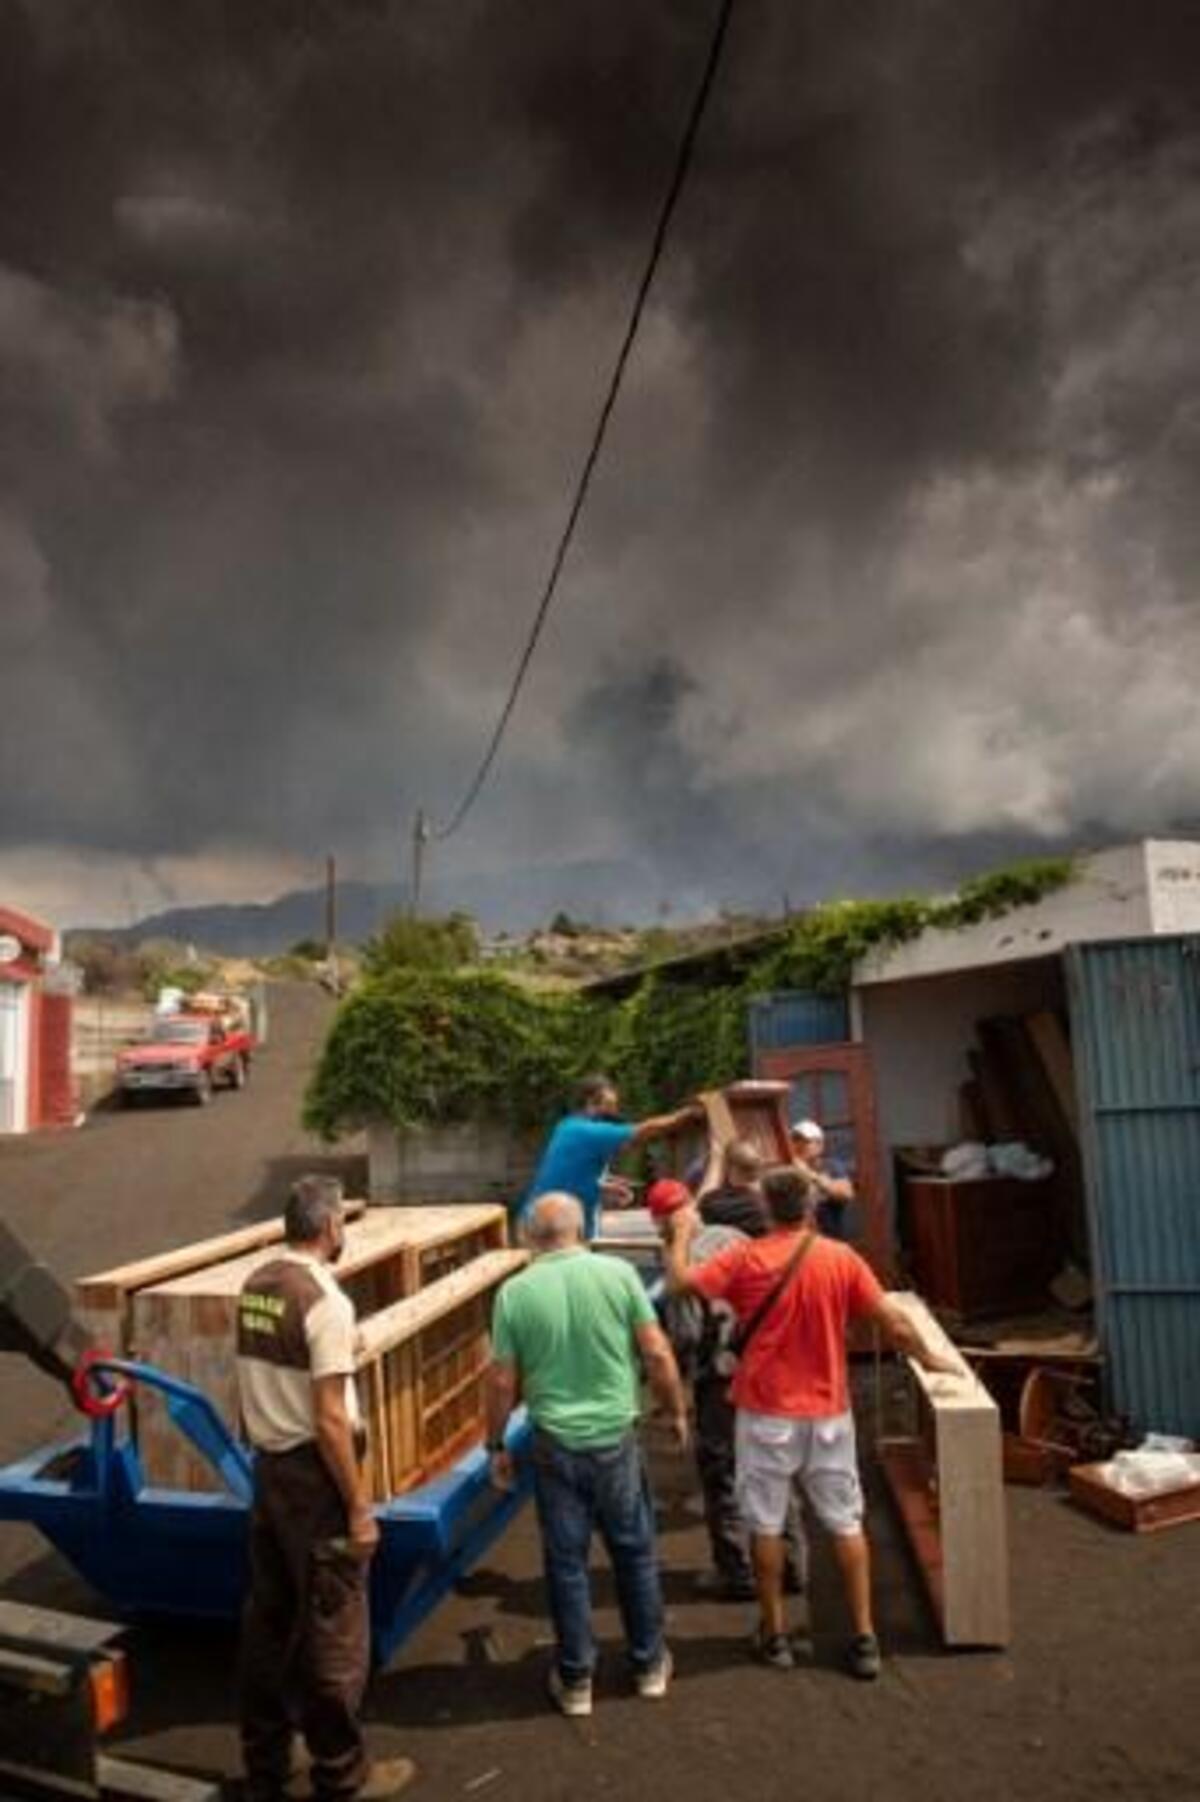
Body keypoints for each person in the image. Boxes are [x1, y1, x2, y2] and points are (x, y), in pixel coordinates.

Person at [664, 1165, 956, 1679]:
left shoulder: (745, 1257)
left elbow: (680, 1283)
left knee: (765, 1522)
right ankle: (865, 1636)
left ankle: (773, 1633)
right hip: (828, 1411)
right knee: (845, 1520)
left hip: (763, 1412)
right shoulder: (841, 1258)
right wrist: (933, 1359)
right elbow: (893, 1320)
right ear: (811, 1208)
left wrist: (684, 1231)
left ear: (766, 1210)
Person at [236, 1176, 415, 1802]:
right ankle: (341, 1775)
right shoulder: (324, 1302)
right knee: (334, 1630)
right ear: (331, 1226)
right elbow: (330, 1419)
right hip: (314, 1482)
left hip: (269, 1473)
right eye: (343, 1222)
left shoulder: (256, 1285)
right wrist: (360, 1508)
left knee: (269, 1620)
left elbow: (271, 1364)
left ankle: (265, 1765)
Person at [484, 1192, 687, 1718]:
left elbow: (503, 1380)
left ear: (531, 1235)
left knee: (567, 1563)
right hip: (616, 1437)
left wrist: (495, 1443)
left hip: (554, 1443)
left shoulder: (514, 1293)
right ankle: (648, 1666)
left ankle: (576, 1680)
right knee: (635, 1553)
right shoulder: (618, 1276)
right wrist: (677, 1410)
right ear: (581, 1230)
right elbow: (658, 1352)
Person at [648, 1177, 806, 1604]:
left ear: (662, 1222)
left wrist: (675, 1389)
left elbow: (685, 1332)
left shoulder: (679, 1259)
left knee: (723, 1475)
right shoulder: (736, 1237)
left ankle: (737, 1574)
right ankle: (793, 1566)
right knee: (775, 1466)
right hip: (767, 1370)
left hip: (720, 1380)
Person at [521, 1073, 700, 1241]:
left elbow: (568, 1174)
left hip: (543, 1225)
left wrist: (603, 1187)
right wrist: (688, 1114)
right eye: (610, 1104)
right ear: (591, 1102)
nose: (615, 1110)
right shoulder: (588, 1131)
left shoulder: (567, 1126)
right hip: (550, 1231)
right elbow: (646, 1130)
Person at [790, 1118, 855, 1240]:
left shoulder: (832, 1166)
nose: (799, 1145)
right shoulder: (787, 1170)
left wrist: (809, 1174)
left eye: (806, 1141)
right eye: (795, 1140)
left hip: (831, 1239)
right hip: (800, 1243)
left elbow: (846, 1194)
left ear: (820, 1144)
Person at [698, 1139, 770, 1238]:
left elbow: (701, 1203)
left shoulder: (720, 1204)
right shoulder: (773, 1199)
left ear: (729, 1168)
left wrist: (716, 1162)